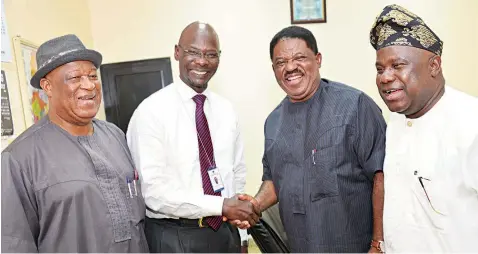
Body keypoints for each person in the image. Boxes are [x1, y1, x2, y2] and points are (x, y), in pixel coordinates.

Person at [236, 26, 387, 253]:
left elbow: (382, 177)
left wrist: (378, 244)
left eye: (299, 58)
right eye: (280, 62)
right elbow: (276, 180)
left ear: (317, 59)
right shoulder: (273, 122)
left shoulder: (355, 106)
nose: (290, 67)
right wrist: (255, 204)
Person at [1, 34, 149, 253]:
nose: (89, 85)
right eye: (75, 78)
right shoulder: (18, 159)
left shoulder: (115, 136)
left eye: (92, 75)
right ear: (48, 87)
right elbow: (14, 244)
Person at [127, 21, 258, 253]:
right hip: (174, 237)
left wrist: (242, 236)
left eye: (211, 54)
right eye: (193, 52)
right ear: (177, 52)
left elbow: (236, 174)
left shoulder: (227, 110)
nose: (202, 61)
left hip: (224, 235)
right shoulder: (150, 112)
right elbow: (153, 193)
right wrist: (221, 205)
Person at [370, 4, 478, 252]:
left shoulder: (471, 124)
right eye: (380, 69)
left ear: (434, 66)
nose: (385, 77)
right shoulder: (397, 121)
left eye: (398, 66)